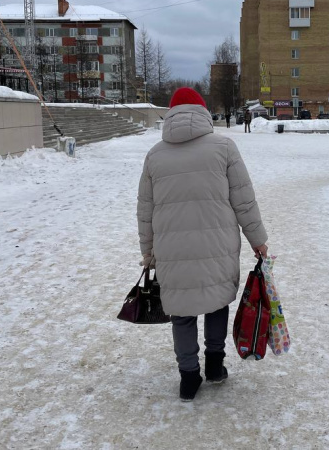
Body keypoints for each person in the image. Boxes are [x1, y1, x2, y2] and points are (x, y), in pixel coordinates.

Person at [137, 87, 269, 402]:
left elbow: (146, 209)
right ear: (203, 112)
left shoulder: (155, 154)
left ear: (170, 115)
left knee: (181, 313)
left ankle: (188, 376)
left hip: (172, 251)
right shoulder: (224, 147)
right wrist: (258, 241)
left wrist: (148, 251)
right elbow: (244, 200)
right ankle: (214, 364)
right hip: (217, 244)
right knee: (215, 302)